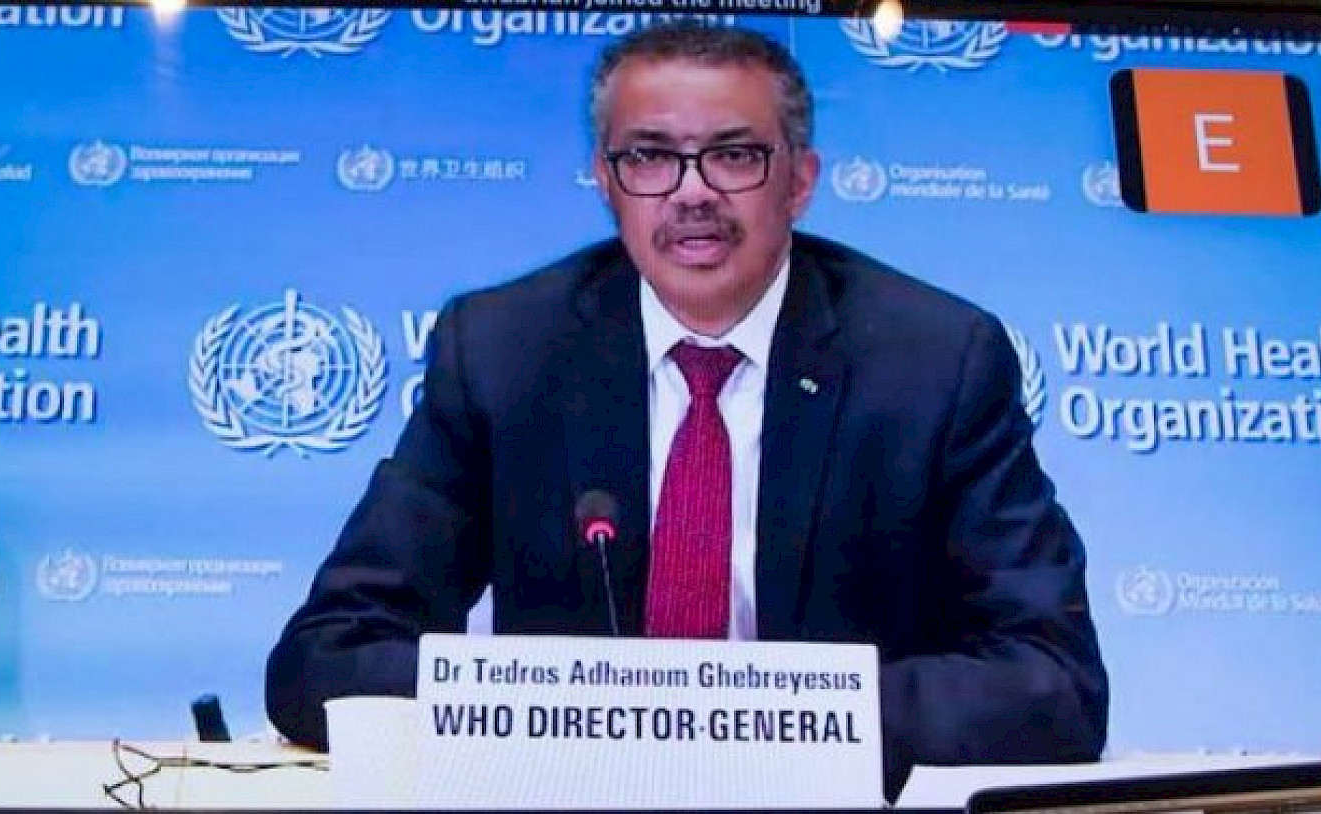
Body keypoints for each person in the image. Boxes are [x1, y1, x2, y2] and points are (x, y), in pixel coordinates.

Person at [265, 21, 1108, 800]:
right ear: (606, 181)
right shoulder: (502, 350)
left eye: (735, 156)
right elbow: (326, 655)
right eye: (650, 157)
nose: (692, 193)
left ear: (801, 182)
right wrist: (552, 710)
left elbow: (1053, 684)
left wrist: (766, 721)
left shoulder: (935, 361)